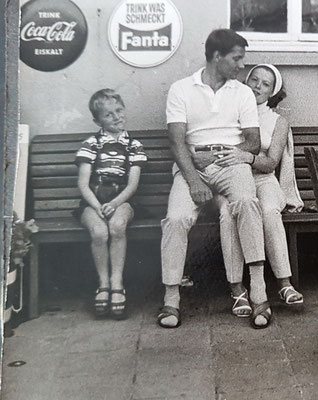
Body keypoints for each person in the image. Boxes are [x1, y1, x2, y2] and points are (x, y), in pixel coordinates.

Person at [159, 29, 268, 329]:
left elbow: (253, 142)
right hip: (192, 165)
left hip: (231, 162)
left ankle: (258, 290)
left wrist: (227, 153)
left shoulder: (242, 92)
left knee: (247, 201)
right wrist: (194, 179)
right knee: (177, 218)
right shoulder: (181, 90)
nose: (241, 65)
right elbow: (177, 142)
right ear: (217, 56)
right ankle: (171, 298)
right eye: (237, 58)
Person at [204, 64, 304, 318]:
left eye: (265, 84)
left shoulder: (278, 122)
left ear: (273, 92)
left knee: (270, 211)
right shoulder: (229, 112)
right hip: (231, 181)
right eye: (254, 80)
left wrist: (246, 157)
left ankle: (284, 283)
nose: (258, 86)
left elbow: (270, 162)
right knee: (229, 213)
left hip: (264, 179)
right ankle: (237, 289)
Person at [75, 89, 147, 319]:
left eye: (119, 110)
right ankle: (103, 284)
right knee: (98, 231)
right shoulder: (91, 144)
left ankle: (117, 283)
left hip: (122, 200)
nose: (116, 117)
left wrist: (115, 203)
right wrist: (97, 206)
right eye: (108, 115)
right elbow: (84, 184)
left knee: (116, 227)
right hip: (93, 202)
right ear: (97, 120)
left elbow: (133, 184)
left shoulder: (133, 146)